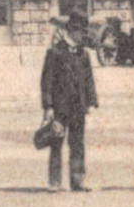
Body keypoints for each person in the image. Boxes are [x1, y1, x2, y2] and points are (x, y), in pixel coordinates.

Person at [40, 10, 98, 192]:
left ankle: (77, 180)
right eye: (81, 32)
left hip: (78, 107)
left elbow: (89, 79)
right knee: (56, 143)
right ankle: (54, 181)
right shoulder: (55, 52)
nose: (83, 36)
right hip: (60, 107)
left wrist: (90, 102)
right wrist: (48, 106)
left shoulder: (84, 54)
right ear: (72, 31)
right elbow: (46, 81)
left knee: (78, 144)